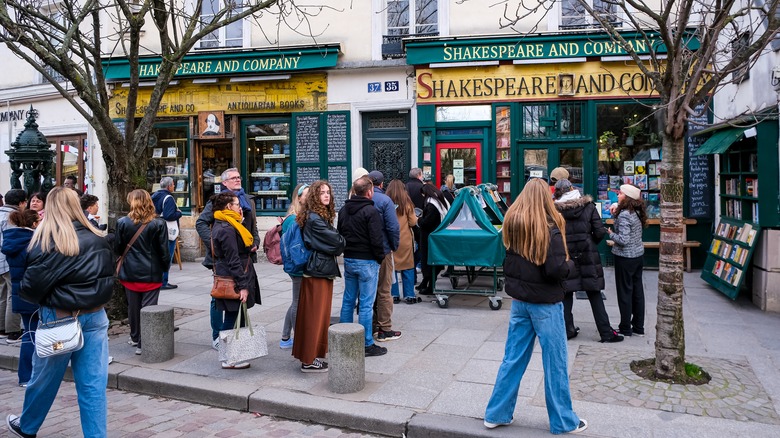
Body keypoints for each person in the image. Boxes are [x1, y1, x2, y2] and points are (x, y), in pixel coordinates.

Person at [7, 187, 114, 438]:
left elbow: (31, 289)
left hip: (60, 315)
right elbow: (107, 280)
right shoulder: (98, 237)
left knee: (44, 379)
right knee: (93, 385)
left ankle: (28, 426)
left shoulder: (48, 242)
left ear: (51, 208)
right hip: (95, 315)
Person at [483, 178, 587, 435]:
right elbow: (556, 270)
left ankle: (496, 413)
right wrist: (572, 265)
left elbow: (507, 261)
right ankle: (563, 421)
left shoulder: (512, 223)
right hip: (545, 303)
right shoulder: (549, 228)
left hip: (520, 302)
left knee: (513, 358)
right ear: (545, 198)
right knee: (555, 362)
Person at [196, 167, 260, 351]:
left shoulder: (247, 200)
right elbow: (200, 222)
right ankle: (218, 336)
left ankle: (234, 335)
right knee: (221, 294)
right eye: (233, 178)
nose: (237, 180)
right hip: (225, 258)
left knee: (239, 297)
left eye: (239, 177)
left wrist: (255, 241)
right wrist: (215, 246)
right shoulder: (219, 202)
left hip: (244, 256)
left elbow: (252, 225)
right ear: (224, 183)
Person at [553, 179, 623, 343]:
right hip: (587, 254)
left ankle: (567, 330)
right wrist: (590, 243)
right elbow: (599, 231)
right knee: (594, 292)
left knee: (566, 293)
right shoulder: (588, 206)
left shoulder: (555, 211)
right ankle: (605, 332)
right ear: (573, 189)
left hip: (566, 255)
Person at [293, 180, 344, 372]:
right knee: (315, 317)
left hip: (319, 269)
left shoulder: (317, 216)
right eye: (322, 192)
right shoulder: (315, 218)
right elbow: (338, 242)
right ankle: (309, 359)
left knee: (316, 316)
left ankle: (311, 355)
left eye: (328, 192)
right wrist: (338, 239)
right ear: (315, 196)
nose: (326, 195)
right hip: (318, 270)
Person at [210, 192, 262, 369]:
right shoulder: (226, 228)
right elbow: (232, 259)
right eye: (236, 204)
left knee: (235, 315)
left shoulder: (230, 224)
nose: (240, 208)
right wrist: (243, 287)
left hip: (236, 274)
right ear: (228, 207)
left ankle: (234, 354)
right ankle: (228, 358)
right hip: (233, 278)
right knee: (231, 317)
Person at [115, 189, 170, 355]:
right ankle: (144, 342)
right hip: (151, 273)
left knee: (133, 307)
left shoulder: (122, 222)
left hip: (130, 272)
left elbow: (117, 247)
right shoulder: (159, 223)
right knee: (149, 307)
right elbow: (164, 251)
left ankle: (135, 336)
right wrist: (164, 269)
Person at [337, 176, 386, 357]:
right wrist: (380, 257)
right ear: (369, 191)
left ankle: (343, 338)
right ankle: (366, 343)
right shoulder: (370, 211)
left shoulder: (343, 210)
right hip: (367, 260)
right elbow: (376, 238)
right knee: (366, 304)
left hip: (350, 258)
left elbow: (340, 233)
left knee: (348, 300)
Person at [1, 209, 40, 385]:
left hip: (20, 293)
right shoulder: (31, 242)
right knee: (34, 335)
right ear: (33, 224)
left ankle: (26, 376)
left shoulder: (13, 240)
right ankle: (30, 375)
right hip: (34, 292)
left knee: (29, 334)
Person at [607, 184, 648, 337]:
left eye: (621, 193)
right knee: (637, 291)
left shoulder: (625, 214)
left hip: (625, 257)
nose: (618, 195)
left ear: (627, 197)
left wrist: (610, 233)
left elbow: (623, 239)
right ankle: (638, 326)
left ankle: (625, 327)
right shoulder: (636, 211)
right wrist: (615, 214)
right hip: (637, 255)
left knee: (624, 292)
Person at [367, 170, 401, 342]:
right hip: (384, 250)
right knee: (384, 290)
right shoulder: (385, 200)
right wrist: (394, 246)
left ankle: (370, 327)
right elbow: (393, 228)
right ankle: (384, 328)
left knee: (367, 291)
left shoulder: (360, 198)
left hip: (365, 252)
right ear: (381, 184)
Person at [279, 183, 309, 349]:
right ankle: (298, 339)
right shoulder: (293, 219)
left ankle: (285, 337)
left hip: (297, 265)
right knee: (297, 302)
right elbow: (295, 248)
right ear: (298, 198)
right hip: (297, 266)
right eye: (307, 194)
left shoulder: (299, 216)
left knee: (296, 301)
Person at [386, 179, 419, 304]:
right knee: (408, 267)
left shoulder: (386, 202)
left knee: (392, 268)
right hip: (404, 240)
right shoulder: (407, 203)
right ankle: (409, 295)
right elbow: (412, 222)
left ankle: (394, 294)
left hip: (390, 239)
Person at [0, 189, 27, 344]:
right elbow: (12, 241)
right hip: (9, 260)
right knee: (13, 294)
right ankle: (13, 331)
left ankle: (2, 329)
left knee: (2, 294)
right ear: (21, 203)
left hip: (0, 261)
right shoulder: (11, 217)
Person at [417, 184, 449, 295]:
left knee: (429, 261)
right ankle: (425, 282)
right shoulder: (439, 201)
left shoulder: (431, 205)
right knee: (432, 261)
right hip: (436, 235)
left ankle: (431, 286)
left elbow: (426, 222)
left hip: (429, 237)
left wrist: (418, 220)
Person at [152, 177, 183, 290]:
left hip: (156, 229)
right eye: (173, 184)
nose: (174, 186)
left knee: (158, 256)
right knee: (167, 256)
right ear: (169, 186)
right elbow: (169, 215)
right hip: (167, 231)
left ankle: (157, 280)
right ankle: (163, 282)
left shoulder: (154, 196)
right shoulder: (168, 198)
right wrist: (179, 213)